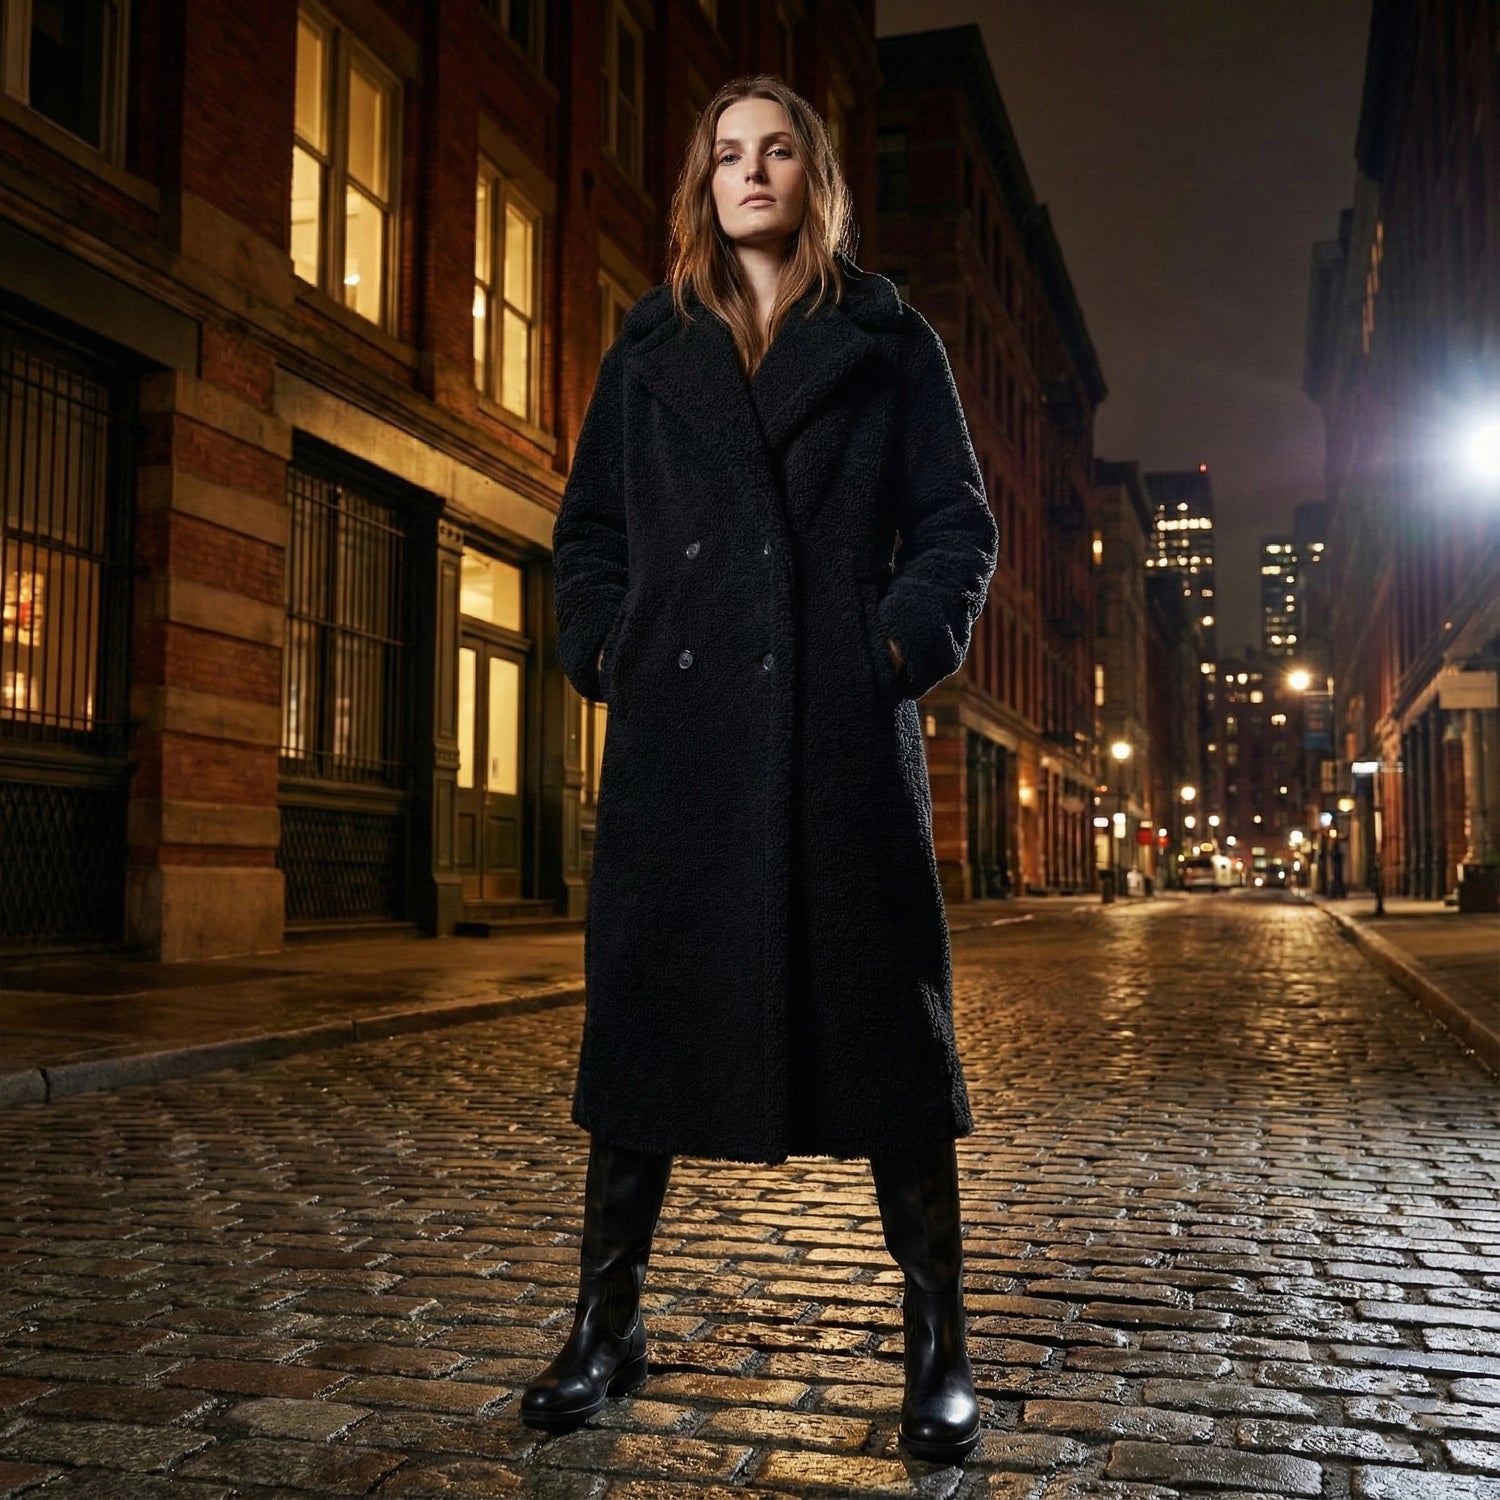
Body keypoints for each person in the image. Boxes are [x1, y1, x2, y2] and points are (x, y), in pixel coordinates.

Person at [522, 74, 999, 1466]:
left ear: (814, 176)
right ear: (702, 182)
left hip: (841, 742)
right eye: (726, 151)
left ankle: (939, 1345)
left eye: (776, 148)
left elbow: (956, 525)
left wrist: (895, 650)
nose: (751, 171)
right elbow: (589, 533)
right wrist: (609, 648)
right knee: (642, 1034)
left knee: (889, 1044)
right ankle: (605, 1324)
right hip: (682, 745)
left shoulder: (888, 337)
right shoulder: (648, 346)